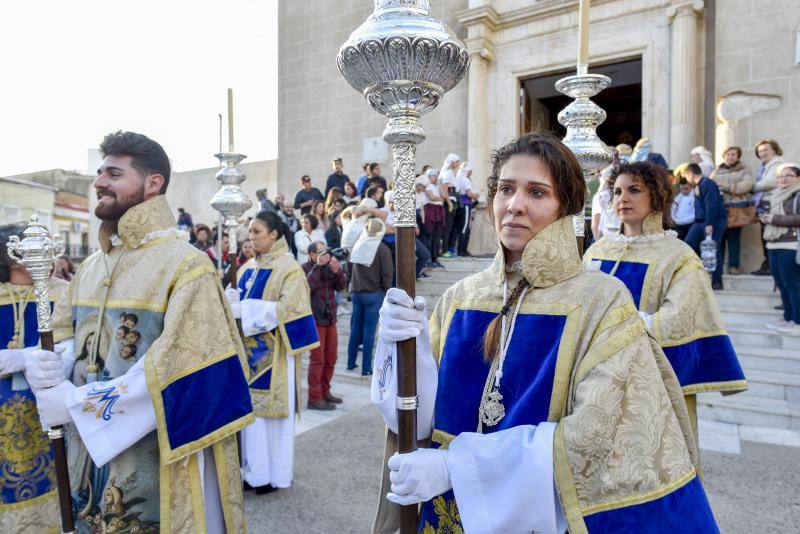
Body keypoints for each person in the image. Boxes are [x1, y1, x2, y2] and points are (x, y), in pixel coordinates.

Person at [371, 133, 716, 534]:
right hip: (446, 513)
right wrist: (403, 350)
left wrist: (456, 466)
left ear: (564, 209)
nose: (515, 205)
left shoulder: (599, 300)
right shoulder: (460, 296)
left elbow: (597, 436)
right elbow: (419, 417)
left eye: (537, 192)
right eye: (505, 189)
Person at [25, 131, 253, 532]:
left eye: (114, 173)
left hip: (157, 462)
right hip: (87, 458)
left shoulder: (186, 266)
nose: (99, 182)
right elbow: (70, 339)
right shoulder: (93, 266)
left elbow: (183, 370)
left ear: (153, 183)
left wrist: (79, 404)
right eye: (100, 173)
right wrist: (48, 364)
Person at [584, 161, 747, 449]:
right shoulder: (598, 251)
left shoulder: (679, 256)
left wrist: (615, 325)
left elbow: (679, 318)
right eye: (618, 191)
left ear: (657, 195)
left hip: (655, 382)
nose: (623, 199)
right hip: (596, 381)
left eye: (634, 190)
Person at [226, 210, 319, 494]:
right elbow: (234, 308)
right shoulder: (245, 269)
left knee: (270, 421)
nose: (251, 237)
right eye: (250, 232)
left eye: (257, 232)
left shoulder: (289, 269)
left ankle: (273, 476)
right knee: (250, 420)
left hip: (275, 356)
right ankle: (252, 472)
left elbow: (292, 309)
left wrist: (246, 310)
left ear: (274, 234)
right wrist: (229, 302)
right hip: (246, 357)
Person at [0, 224, 70, 531]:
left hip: (45, 411)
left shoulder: (63, 293)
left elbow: (74, 343)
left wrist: (54, 357)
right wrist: (15, 358)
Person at [302, 242, 346, 410]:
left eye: (326, 251)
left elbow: (341, 287)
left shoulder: (329, 267)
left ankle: (325, 391)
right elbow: (307, 287)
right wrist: (318, 267)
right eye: (321, 252)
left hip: (330, 319)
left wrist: (337, 272)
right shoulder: (305, 268)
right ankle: (314, 398)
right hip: (315, 320)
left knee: (331, 359)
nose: (326, 255)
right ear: (312, 255)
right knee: (317, 360)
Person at [347, 218, 393, 375]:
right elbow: (387, 274)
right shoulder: (382, 249)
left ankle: (350, 363)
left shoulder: (356, 246)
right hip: (374, 294)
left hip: (356, 293)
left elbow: (348, 268)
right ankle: (366, 368)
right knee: (369, 331)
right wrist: (388, 292)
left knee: (356, 329)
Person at [760, 163, 800, 334]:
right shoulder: (774, 195)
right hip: (773, 242)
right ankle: (788, 318)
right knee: (782, 284)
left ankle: (798, 322)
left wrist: (774, 219)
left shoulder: (797, 194)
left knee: (793, 284)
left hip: (790, 243)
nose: (783, 179)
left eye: (788, 175)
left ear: (798, 178)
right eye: (780, 176)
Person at [710, 146, 754, 275]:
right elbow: (710, 185)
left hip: (736, 209)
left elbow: (746, 185)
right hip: (720, 210)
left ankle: (734, 266)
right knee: (720, 239)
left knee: (734, 239)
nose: (730, 156)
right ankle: (720, 266)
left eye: (733, 154)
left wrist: (727, 187)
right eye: (728, 154)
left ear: (738, 156)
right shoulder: (716, 171)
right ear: (724, 156)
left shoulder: (744, 170)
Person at [684, 162, 727, 290]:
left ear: (690, 174)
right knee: (687, 246)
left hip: (712, 222)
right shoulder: (698, 185)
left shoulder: (707, 183)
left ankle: (717, 281)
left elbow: (711, 204)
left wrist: (709, 223)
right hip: (699, 222)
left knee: (713, 249)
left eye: (686, 176)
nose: (686, 180)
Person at [751, 139, 786, 275]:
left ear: (774, 150)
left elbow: (769, 182)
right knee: (764, 235)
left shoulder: (777, 163)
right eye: (760, 151)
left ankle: (770, 266)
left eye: (765, 149)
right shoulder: (765, 165)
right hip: (764, 203)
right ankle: (768, 264)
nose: (762, 153)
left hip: (771, 203)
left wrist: (750, 187)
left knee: (769, 235)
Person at [453, 161, 479, 256]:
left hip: (463, 205)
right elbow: (469, 193)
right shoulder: (465, 179)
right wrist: (477, 196)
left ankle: (462, 250)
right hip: (465, 205)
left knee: (464, 228)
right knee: (464, 228)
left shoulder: (460, 178)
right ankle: (461, 251)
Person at [422, 169, 446, 267]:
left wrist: (439, 183)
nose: (435, 177)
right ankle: (429, 259)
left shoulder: (437, 186)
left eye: (436, 176)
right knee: (430, 236)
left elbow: (444, 196)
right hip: (430, 210)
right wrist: (440, 198)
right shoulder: (427, 186)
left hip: (438, 210)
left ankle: (435, 258)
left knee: (437, 236)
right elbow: (432, 197)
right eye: (433, 176)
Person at [439, 154, 461, 258]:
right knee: (447, 227)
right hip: (450, 203)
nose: (458, 163)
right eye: (457, 161)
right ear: (452, 162)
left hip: (452, 202)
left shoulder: (450, 173)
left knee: (451, 227)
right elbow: (445, 189)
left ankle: (448, 250)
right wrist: (449, 203)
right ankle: (444, 250)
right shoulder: (447, 173)